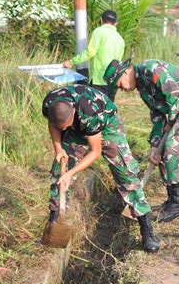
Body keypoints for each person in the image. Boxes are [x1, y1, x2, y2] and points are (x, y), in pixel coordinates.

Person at [42, 85, 159, 253]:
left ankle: (146, 230)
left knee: (126, 175)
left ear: (73, 112)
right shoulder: (50, 103)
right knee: (58, 174)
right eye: (62, 128)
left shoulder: (91, 112)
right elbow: (54, 125)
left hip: (107, 127)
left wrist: (71, 173)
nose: (64, 130)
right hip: (78, 129)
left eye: (66, 126)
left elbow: (95, 152)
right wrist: (59, 148)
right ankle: (55, 222)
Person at [103, 59, 179, 222]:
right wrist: (155, 146)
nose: (119, 88)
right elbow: (157, 116)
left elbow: (174, 95)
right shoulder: (142, 88)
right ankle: (173, 200)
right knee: (163, 150)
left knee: (174, 146)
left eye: (118, 83)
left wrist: (171, 122)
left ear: (127, 71)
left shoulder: (150, 69)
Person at [63, 10, 125, 100]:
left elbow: (90, 52)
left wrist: (71, 62)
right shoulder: (120, 39)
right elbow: (119, 61)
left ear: (101, 20)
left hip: (99, 79)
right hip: (113, 80)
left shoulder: (99, 32)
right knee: (109, 108)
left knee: (96, 109)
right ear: (116, 23)